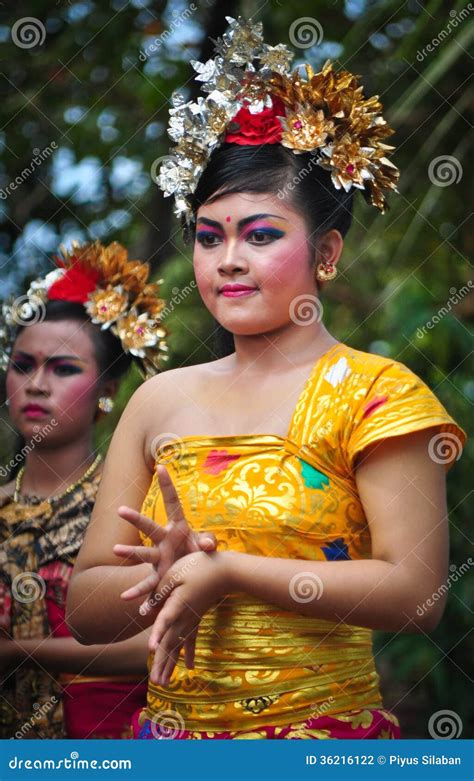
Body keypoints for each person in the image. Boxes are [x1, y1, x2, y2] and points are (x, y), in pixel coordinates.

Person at [66, 19, 467, 740]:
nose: (227, 260)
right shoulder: (159, 397)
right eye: (209, 236)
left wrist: (233, 571)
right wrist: (158, 578)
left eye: (261, 234)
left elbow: (416, 594)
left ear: (328, 251)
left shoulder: (378, 392)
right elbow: (87, 610)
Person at [0, 240, 169, 738]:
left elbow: (163, 641)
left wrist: (18, 653)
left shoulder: (136, 507)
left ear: (109, 391)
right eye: (23, 364)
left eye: (64, 368)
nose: (36, 384)